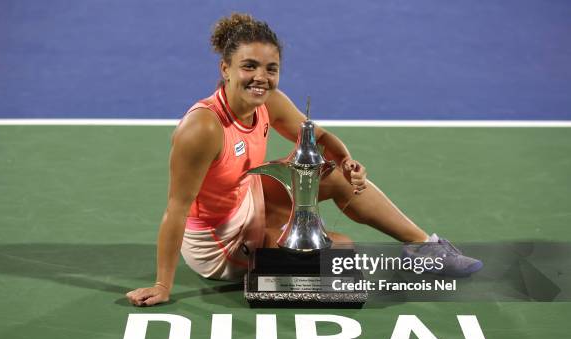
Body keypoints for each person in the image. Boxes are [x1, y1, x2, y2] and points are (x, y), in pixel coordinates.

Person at [126, 13, 482, 307]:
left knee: (332, 174)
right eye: (249, 66)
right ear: (226, 69)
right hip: (219, 241)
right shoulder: (203, 128)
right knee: (339, 250)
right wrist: (162, 285)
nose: (261, 78)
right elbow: (176, 208)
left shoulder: (270, 101)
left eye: (271, 68)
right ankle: (273, 253)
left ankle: (425, 248)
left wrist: (346, 162)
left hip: (247, 195)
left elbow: (318, 138)